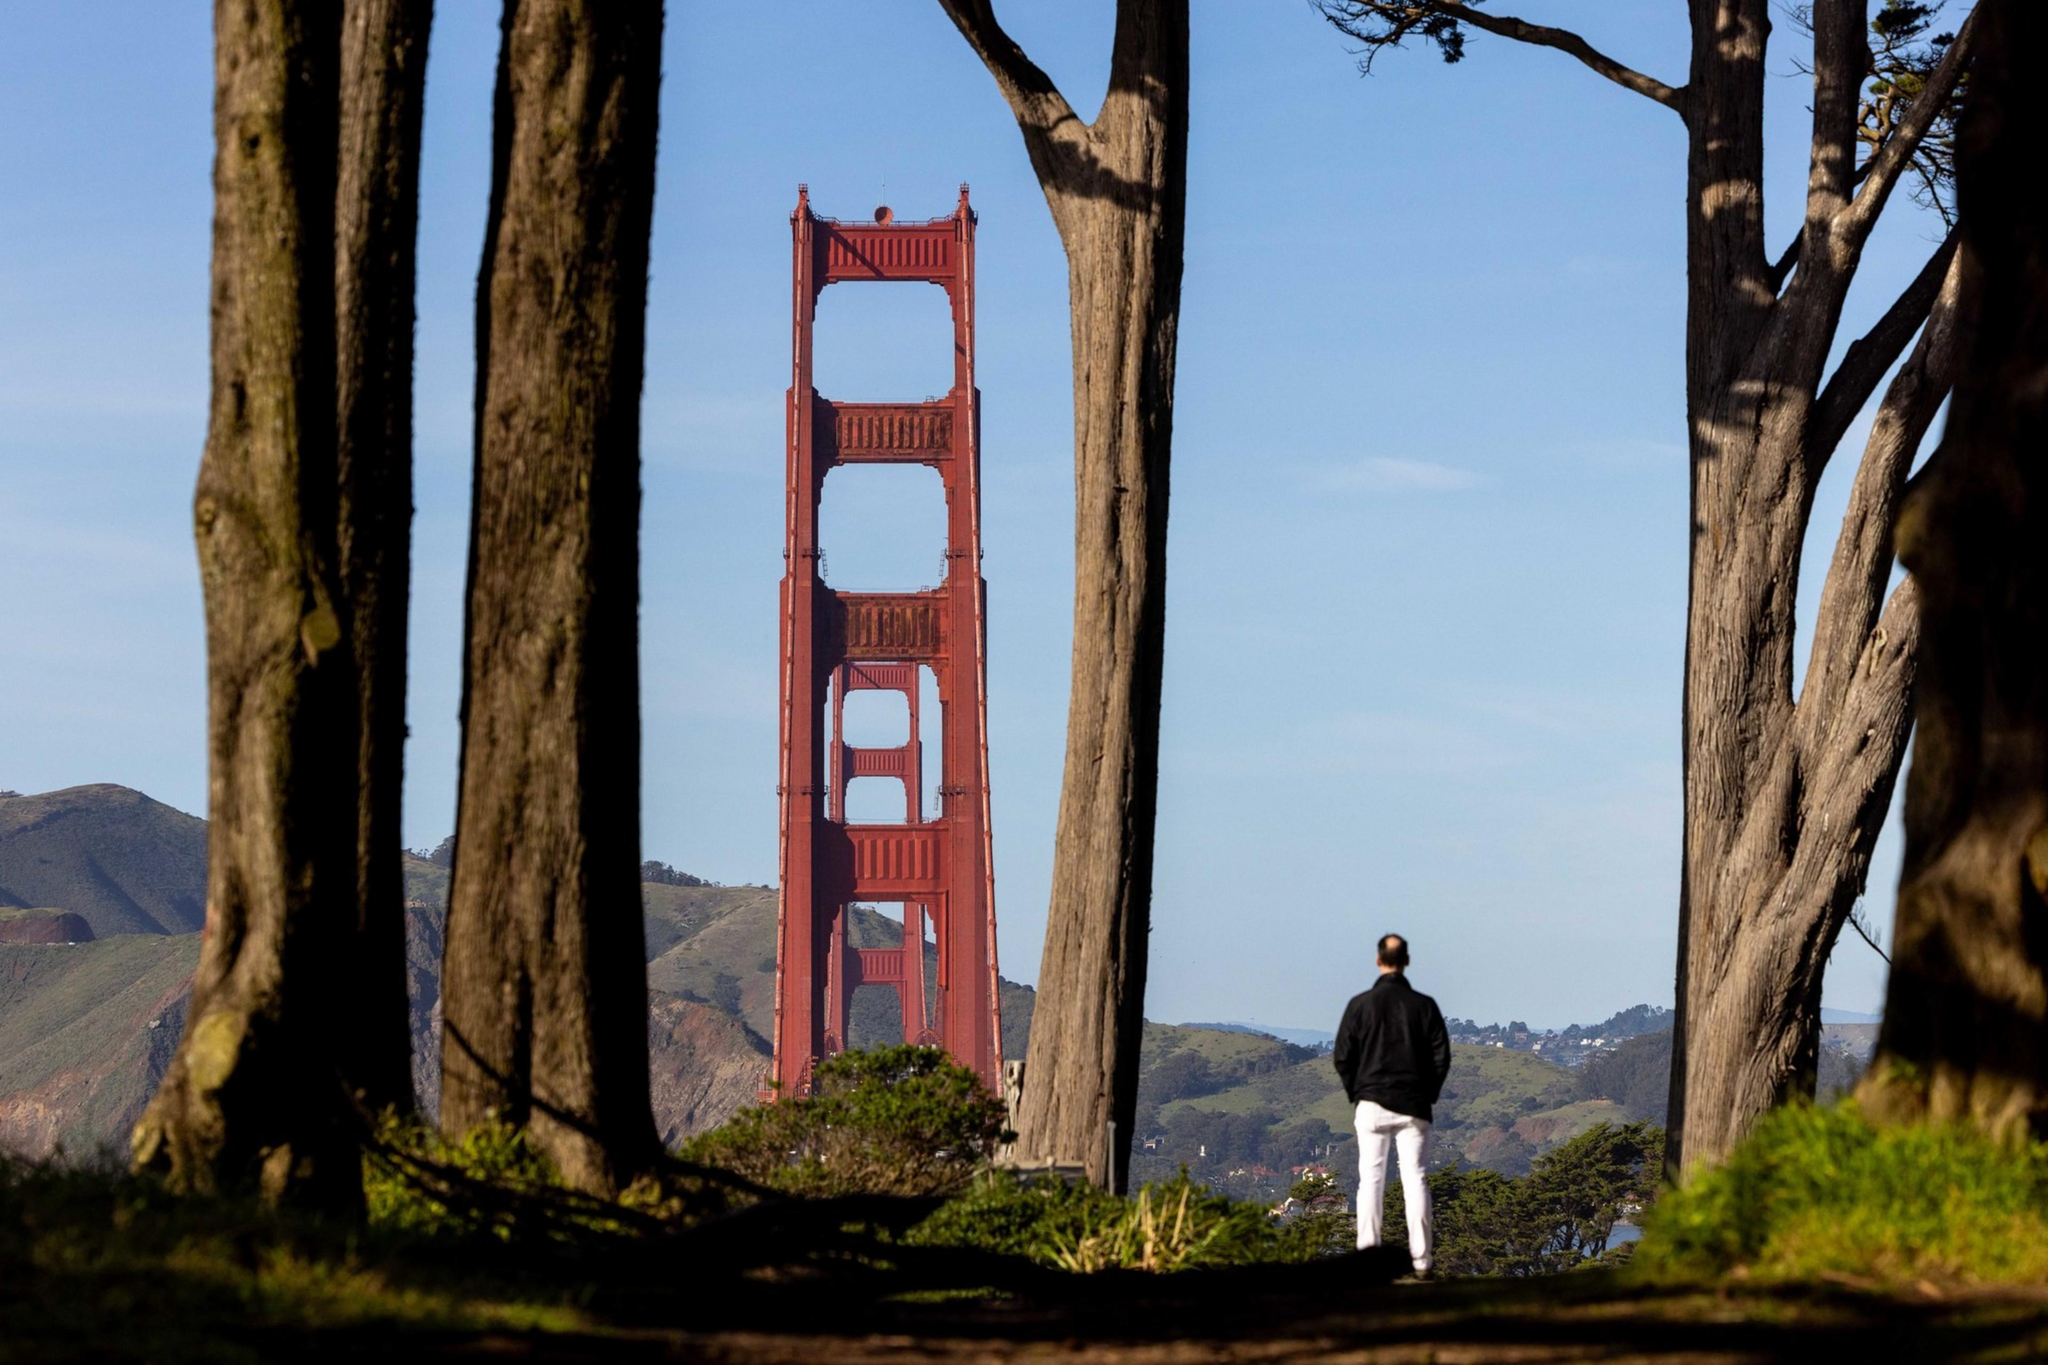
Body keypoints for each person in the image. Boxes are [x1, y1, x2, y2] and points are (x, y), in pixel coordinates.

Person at [1332, 932, 1451, 1279]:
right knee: (1415, 1179)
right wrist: (1427, 1093)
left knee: (1370, 1180)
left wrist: (1358, 1092)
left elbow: (1343, 1056)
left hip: (1370, 1102)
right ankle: (1422, 1262)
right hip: (1413, 1103)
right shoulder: (1424, 1005)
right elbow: (1440, 1057)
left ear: (1378, 960)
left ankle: (1368, 1259)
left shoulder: (1360, 1004)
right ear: (1407, 961)